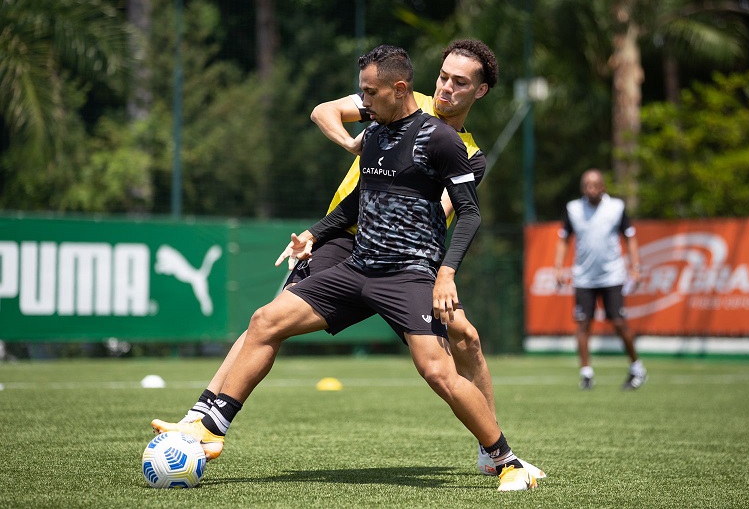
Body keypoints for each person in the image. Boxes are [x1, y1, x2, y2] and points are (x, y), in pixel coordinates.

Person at [152, 44, 538, 491]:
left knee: (441, 366)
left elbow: (461, 212)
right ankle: (209, 425)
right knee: (266, 320)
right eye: (444, 76)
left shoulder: (450, 143)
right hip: (354, 260)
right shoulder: (375, 131)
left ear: (399, 89)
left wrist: (444, 272)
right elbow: (355, 194)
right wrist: (314, 233)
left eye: (370, 94)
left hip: (407, 272)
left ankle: (504, 459)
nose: (363, 103)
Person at [553, 169, 647, 390]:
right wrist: (558, 267)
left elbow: (630, 237)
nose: (591, 189)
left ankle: (636, 367)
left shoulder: (616, 208)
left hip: (612, 275)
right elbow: (563, 239)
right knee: (583, 325)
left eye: (595, 185)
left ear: (603, 187)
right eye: (587, 185)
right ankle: (586, 373)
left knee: (619, 323)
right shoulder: (574, 209)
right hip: (583, 277)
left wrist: (635, 267)